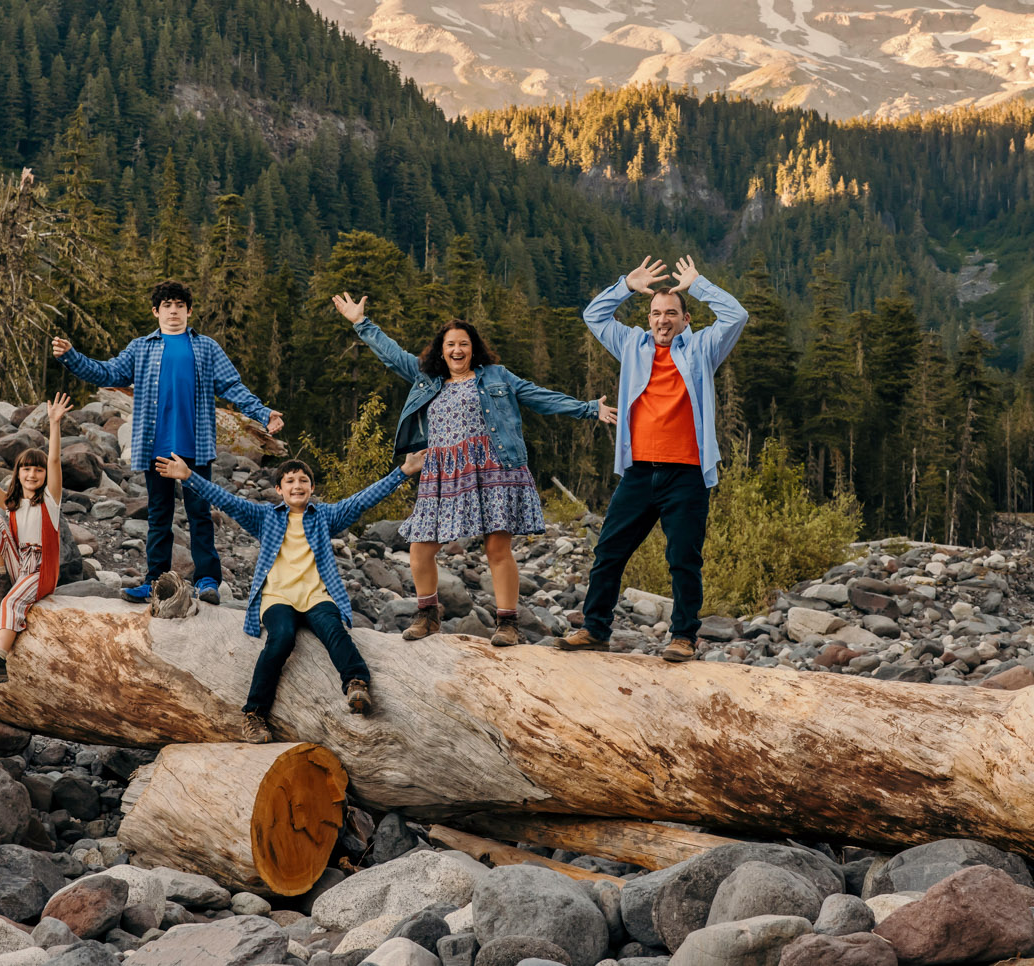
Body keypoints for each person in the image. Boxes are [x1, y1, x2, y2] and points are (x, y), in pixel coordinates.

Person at [330, 293, 616, 646]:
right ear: (441, 350)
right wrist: (361, 322)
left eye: (463, 344)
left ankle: (508, 623)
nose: (457, 350)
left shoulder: (496, 375)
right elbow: (391, 355)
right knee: (420, 548)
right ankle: (428, 616)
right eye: (450, 344)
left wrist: (587, 409)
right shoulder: (426, 378)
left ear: (473, 348)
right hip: (442, 472)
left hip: (494, 468)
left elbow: (536, 395)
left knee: (497, 550)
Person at [150, 449, 426, 740]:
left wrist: (403, 472)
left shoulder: (325, 516)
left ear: (312, 487)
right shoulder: (264, 517)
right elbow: (226, 500)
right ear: (279, 489)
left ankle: (356, 683)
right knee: (281, 638)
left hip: (316, 595)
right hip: (277, 597)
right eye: (290, 480)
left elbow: (361, 501)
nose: (297, 485)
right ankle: (254, 714)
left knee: (335, 630)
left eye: (303, 480)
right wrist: (189, 476)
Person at [559, 255, 748, 663]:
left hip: (687, 474)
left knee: (683, 559)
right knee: (609, 551)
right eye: (656, 313)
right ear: (648, 318)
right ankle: (595, 629)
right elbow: (593, 315)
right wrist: (626, 285)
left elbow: (736, 315)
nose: (663, 321)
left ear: (685, 318)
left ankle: (684, 637)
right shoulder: (631, 344)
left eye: (671, 314)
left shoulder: (701, 348)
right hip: (639, 472)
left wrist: (698, 284)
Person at [52, 280, 284, 606]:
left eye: (179, 305)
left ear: (189, 311)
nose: (173, 311)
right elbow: (106, 374)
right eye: (166, 306)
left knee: (199, 514)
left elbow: (233, 387)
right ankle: (154, 582)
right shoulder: (141, 347)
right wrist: (71, 357)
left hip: (196, 447)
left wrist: (263, 413)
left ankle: (207, 580)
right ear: (156, 311)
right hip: (155, 446)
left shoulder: (206, 348)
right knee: (159, 517)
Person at [0, 392, 75, 684]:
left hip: (42, 569)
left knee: (11, 603)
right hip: (19, 563)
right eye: (26, 468)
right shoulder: (12, 503)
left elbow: (56, 460)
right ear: (18, 472)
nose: (32, 473)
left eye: (38, 469)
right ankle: (0, 578)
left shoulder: (50, 500)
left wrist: (54, 424)